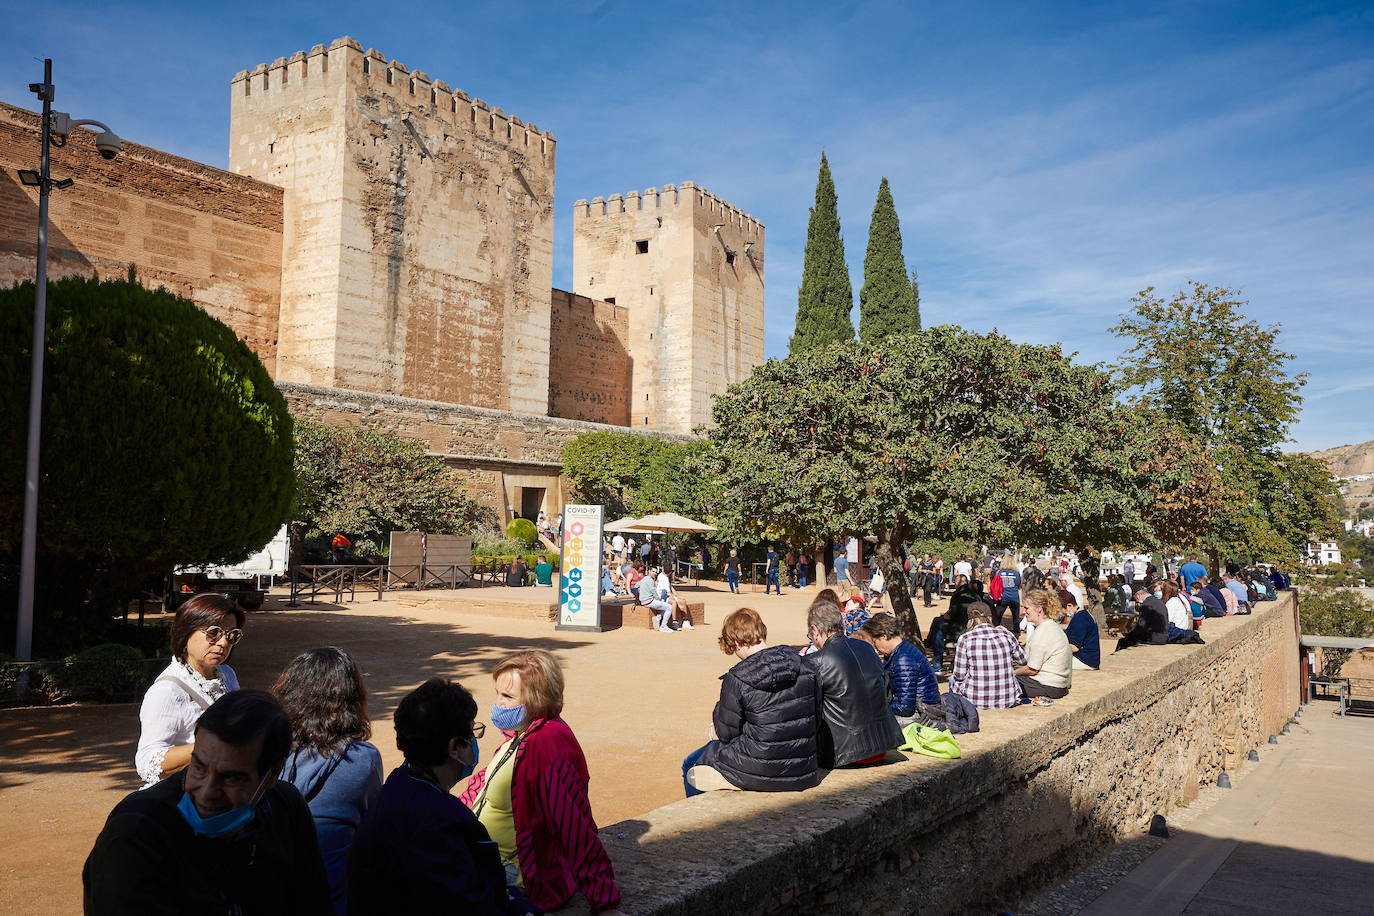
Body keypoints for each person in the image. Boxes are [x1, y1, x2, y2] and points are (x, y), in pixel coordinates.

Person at [84, 690, 330, 915]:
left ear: (272, 775)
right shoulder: (135, 833)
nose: (206, 792)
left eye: (231, 777)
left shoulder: (286, 810)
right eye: (198, 767)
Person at [460, 651, 624, 915]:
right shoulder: (521, 735)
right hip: (486, 857)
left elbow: (574, 827)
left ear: (538, 699)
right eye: (498, 694)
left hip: (516, 873)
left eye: (508, 697)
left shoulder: (547, 745)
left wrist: (604, 901)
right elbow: (483, 788)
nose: (498, 704)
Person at [349, 678, 508, 914]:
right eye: (472, 732)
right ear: (454, 747)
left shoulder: (399, 785)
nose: (475, 742)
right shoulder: (438, 821)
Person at [274, 648, 383, 916]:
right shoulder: (362, 759)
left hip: (269, 893)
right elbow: (370, 832)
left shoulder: (267, 747)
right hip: (329, 899)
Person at [681, 608, 822, 796]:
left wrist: (718, 709)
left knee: (691, 763)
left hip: (760, 768)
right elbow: (816, 716)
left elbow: (726, 733)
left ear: (738, 642)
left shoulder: (737, 677)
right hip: (804, 769)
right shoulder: (805, 664)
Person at [136, 594, 244, 787]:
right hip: (187, 798)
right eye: (213, 633)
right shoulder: (167, 691)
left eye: (231, 635)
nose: (223, 643)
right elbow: (147, 762)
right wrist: (209, 747)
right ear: (186, 632)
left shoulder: (226, 674)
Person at [802, 598, 903, 768]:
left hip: (844, 753)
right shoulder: (867, 648)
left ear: (815, 630)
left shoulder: (816, 661)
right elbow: (886, 692)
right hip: (882, 745)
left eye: (810, 636)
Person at [862, 613, 942, 728]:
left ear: (883, 636)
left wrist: (877, 706)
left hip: (922, 713)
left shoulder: (903, 659)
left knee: (869, 723)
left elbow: (905, 707)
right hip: (921, 708)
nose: (876, 647)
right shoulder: (900, 651)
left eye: (875, 642)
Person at [949, 604, 1028, 709]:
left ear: (970, 620)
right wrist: (1008, 633)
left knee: (951, 680)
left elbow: (959, 675)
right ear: (990, 617)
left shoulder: (965, 639)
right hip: (1007, 698)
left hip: (975, 700)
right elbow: (1024, 660)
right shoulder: (1005, 635)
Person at [1015, 591, 1072, 706]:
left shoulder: (1043, 632)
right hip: (1058, 685)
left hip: (1047, 686)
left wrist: (1012, 672)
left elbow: (1032, 669)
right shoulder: (1052, 627)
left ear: (1039, 609)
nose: (1023, 612)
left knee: (1002, 680)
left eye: (1026, 608)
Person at [1061, 593, 1101, 671]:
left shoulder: (1080, 618)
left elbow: (1074, 647)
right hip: (1089, 659)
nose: (1063, 614)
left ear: (1069, 606)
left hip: (1085, 660)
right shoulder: (1084, 614)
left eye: (1063, 611)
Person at [637, 565, 677, 632]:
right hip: (649, 601)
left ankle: (658, 617)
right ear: (649, 571)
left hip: (645, 601)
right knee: (669, 607)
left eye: (656, 572)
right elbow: (653, 591)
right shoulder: (650, 580)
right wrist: (658, 598)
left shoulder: (644, 578)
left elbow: (636, 585)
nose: (654, 573)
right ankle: (663, 626)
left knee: (664, 604)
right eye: (653, 571)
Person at [657, 565, 695, 630]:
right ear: (670, 572)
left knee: (683, 600)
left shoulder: (664, 576)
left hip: (667, 596)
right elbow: (668, 592)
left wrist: (677, 595)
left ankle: (685, 621)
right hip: (662, 597)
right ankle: (674, 622)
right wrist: (676, 598)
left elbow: (671, 587)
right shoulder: (663, 578)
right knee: (675, 602)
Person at [993, 564, 1022, 632]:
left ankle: (994, 631)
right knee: (1016, 618)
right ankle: (1016, 634)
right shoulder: (1016, 573)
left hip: (1003, 597)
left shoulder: (999, 572)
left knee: (997, 617)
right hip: (1014, 597)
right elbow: (1018, 583)